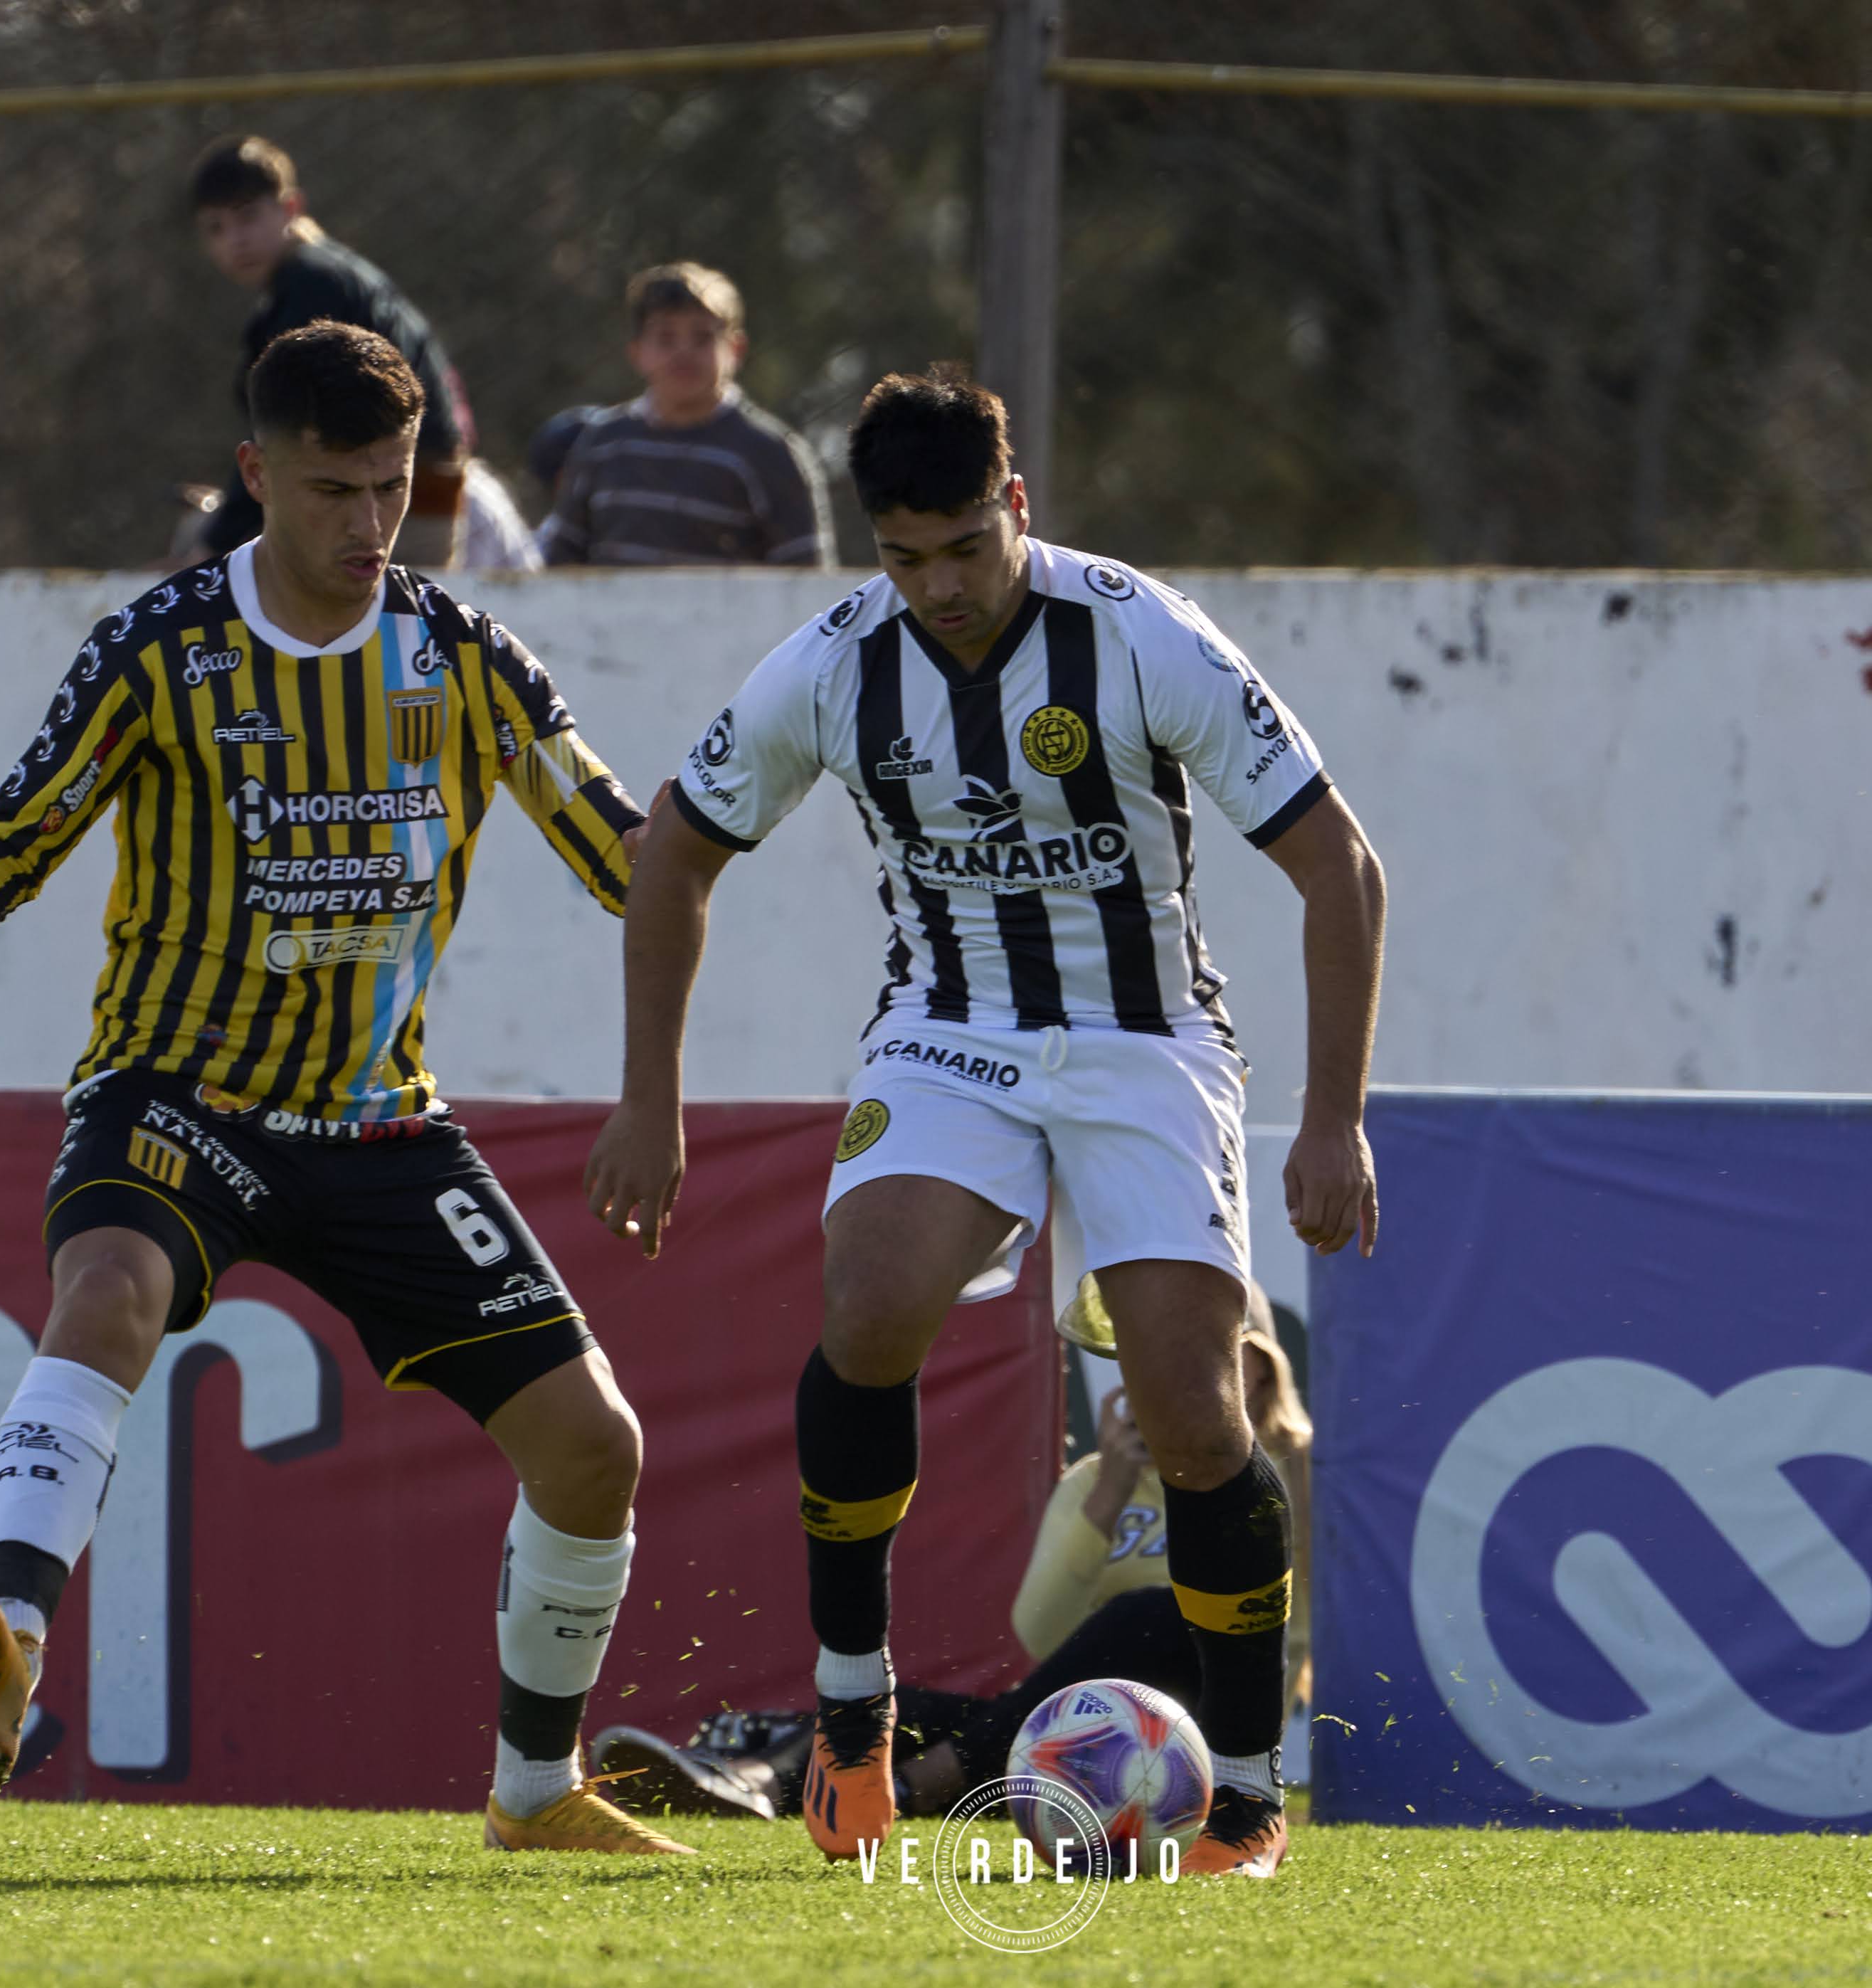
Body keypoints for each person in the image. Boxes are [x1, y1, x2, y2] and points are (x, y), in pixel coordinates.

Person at [0, 322, 686, 1856]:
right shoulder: (162, 646)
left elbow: (632, 861)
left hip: (378, 1119)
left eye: (393, 488)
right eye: (335, 488)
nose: (369, 523)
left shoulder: (467, 660)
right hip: (177, 1093)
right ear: (256, 474)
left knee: (595, 1444)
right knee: (108, 1290)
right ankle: (8, 1635)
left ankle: (534, 1791)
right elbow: (29, 818)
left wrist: (715, 830)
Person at [581, 366, 1387, 1879]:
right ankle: (850, 1712)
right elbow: (672, 851)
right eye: (906, 558)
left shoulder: (1136, 634)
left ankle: (1246, 1798)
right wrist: (649, 1095)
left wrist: (1332, 1117)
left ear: (1015, 505)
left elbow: (1337, 863)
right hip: (949, 1030)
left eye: (965, 546)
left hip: (1145, 1042)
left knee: (1192, 1413)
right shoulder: (834, 663)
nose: (940, 587)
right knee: (869, 1302)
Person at [588, 1307, 1315, 1822]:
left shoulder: (1282, 1484)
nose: (1210, 1391)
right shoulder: (1097, 1482)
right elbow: (1039, 1633)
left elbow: (1294, 1631)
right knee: (917, 1709)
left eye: (1244, 1377)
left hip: (1208, 1733)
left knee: (1156, 1612)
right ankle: (753, 1781)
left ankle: (911, 1784)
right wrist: (1112, 1494)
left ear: (1268, 1386)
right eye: (1192, 1369)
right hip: (1082, 1727)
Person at [190, 134, 475, 569]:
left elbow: (283, 437)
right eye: (216, 228)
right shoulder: (304, 282)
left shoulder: (315, 286)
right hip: (377, 486)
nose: (236, 239)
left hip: (394, 497)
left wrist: (215, 545)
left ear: (290, 208)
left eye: (248, 217)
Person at [536, 263, 835, 569]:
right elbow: (563, 559)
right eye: (665, 338)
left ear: (736, 349)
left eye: (702, 337)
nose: (684, 352)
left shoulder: (771, 453)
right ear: (637, 352)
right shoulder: (602, 443)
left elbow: (806, 578)